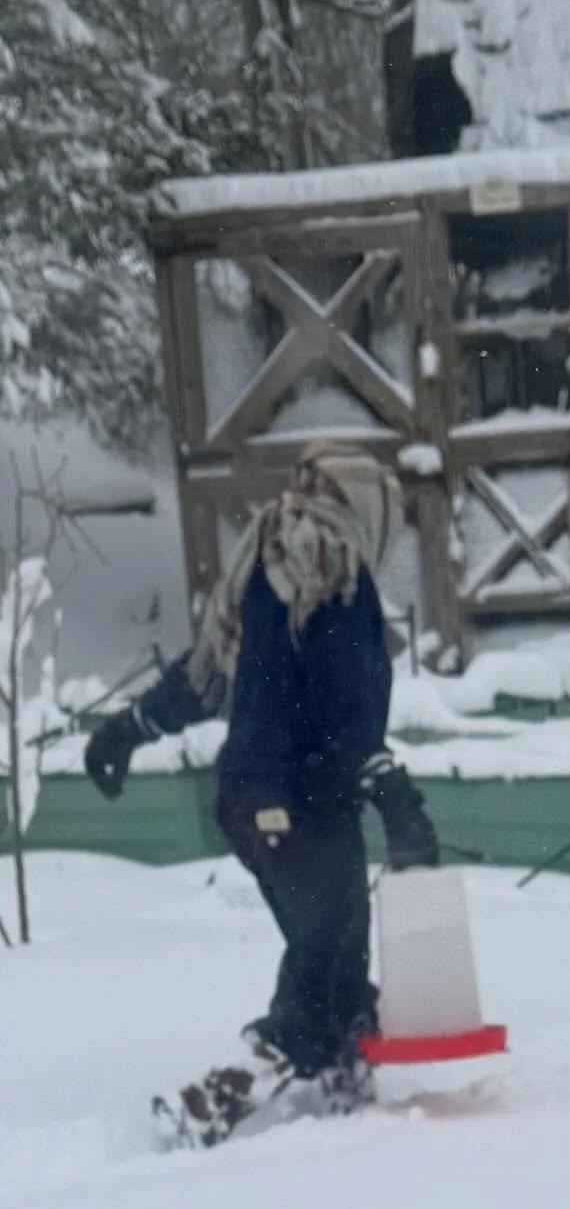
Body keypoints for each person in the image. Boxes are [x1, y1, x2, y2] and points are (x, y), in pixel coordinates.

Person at [83, 441, 439, 1133]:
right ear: (368, 509)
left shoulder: (263, 570)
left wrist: (127, 729)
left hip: (250, 802)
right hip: (302, 802)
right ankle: (215, 1102)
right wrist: (394, 793)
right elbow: (347, 704)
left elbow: (207, 679)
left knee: (338, 957)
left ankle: (352, 1104)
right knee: (323, 954)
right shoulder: (336, 573)